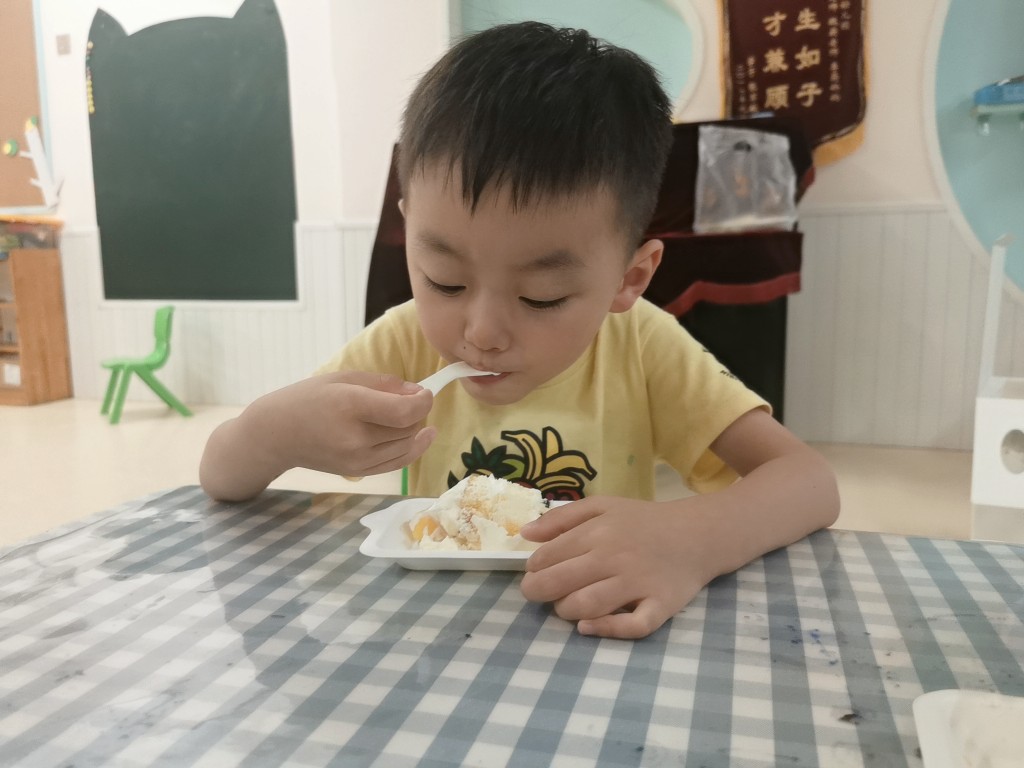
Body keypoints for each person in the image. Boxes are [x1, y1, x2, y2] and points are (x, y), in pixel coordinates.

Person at [200, 21, 839, 639]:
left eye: (542, 297)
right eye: (445, 281)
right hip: (431, 638)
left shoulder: (643, 347)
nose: (481, 333)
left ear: (630, 278)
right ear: (409, 228)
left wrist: (690, 539)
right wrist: (271, 433)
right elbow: (220, 477)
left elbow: (810, 482)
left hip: (591, 635)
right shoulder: (403, 342)